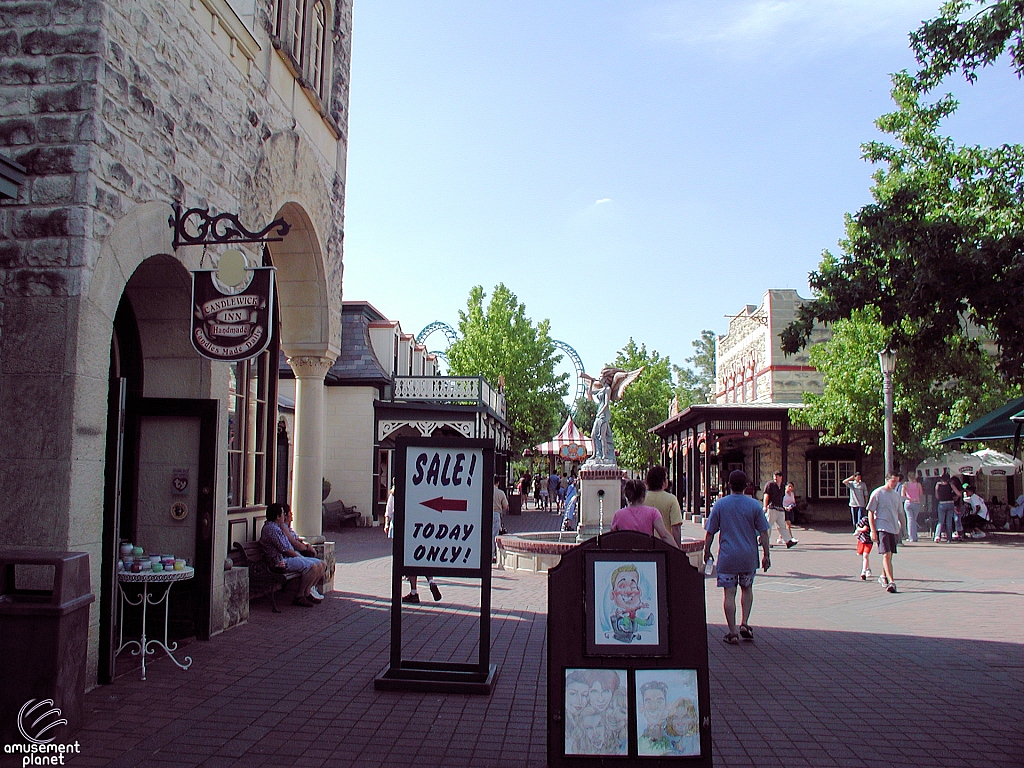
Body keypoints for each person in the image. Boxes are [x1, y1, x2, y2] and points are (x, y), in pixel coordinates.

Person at [703, 470, 770, 644]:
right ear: (746, 486)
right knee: (747, 588)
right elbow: (764, 532)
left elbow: (710, 532)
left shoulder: (720, 505)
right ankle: (745, 623)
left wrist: (706, 550)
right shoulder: (754, 505)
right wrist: (766, 555)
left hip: (727, 556)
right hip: (748, 555)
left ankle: (732, 632)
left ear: (729, 485)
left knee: (729, 593)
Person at [259, 503, 326, 607]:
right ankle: (300, 596)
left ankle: (307, 592)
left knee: (319, 563)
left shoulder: (276, 527)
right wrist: (299, 557)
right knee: (311, 566)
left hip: (286, 558)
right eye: (282, 514)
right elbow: (286, 550)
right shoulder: (271, 529)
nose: (284, 516)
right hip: (280, 562)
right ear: (277, 516)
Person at [611, 479, 679, 548]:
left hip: (626, 555)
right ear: (644, 495)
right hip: (647, 554)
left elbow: (611, 538)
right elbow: (664, 535)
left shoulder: (618, 515)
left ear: (626, 496)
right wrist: (678, 552)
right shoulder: (653, 512)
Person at [280, 506, 327, 600]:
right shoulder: (282, 527)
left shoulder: (288, 528)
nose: (292, 514)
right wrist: (306, 549)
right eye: (290, 512)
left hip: (296, 554)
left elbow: (298, 539)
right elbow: (294, 543)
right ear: (285, 515)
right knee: (313, 566)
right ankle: (302, 593)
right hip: (290, 557)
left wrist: (307, 545)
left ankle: (311, 588)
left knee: (322, 564)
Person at [867, 473, 902, 593]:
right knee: (886, 554)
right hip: (882, 527)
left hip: (893, 527)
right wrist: (873, 530)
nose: (895, 483)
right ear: (887, 480)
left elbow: (900, 513)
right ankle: (891, 582)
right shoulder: (878, 493)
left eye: (897, 481)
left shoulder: (896, 495)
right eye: (893, 481)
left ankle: (883, 576)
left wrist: (904, 528)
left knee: (889, 555)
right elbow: (870, 512)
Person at [644, 465, 683, 547]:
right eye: (666, 478)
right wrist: (678, 548)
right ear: (662, 481)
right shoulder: (671, 499)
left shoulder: (642, 499)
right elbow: (676, 527)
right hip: (665, 545)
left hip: (646, 544)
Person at [763, 471, 797, 548]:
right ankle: (765, 542)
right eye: (774, 476)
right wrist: (765, 506)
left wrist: (784, 507)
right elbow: (766, 495)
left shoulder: (782, 486)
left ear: (781, 477)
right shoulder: (770, 485)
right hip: (772, 508)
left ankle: (788, 541)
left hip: (780, 509)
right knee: (768, 526)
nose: (775, 478)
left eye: (777, 476)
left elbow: (783, 498)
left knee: (782, 526)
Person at [934, 471, 957, 542]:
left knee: (941, 521)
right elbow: (958, 493)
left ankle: (937, 536)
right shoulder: (951, 485)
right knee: (949, 521)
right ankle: (949, 538)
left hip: (942, 503)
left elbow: (937, 496)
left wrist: (937, 491)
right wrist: (955, 498)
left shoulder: (938, 485)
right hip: (950, 503)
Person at [901, 471, 923, 543]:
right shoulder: (918, 485)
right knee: (914, 520)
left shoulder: (905, 484)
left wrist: (909, 498)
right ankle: (915, 536)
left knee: (910, 520)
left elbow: (902, 495)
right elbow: (921, 494)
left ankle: (911, 537)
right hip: (916, 503)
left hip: (908, 503)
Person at [493, 476, 509, 568]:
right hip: (496, 514)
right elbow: (505, 506)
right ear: (498, 483)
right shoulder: (500, 493)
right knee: (495, 535)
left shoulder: (486, 490)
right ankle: (493, 554)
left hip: (486, 513)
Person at [854, 512, 873, 580]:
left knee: (865, 555)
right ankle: (868, 568)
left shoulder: (876, 521)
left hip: (869, 541)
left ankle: (863, 572)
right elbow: (858, 527)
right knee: (863, 556)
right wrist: (862, 529)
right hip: (862, 540)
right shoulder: (865, 520)